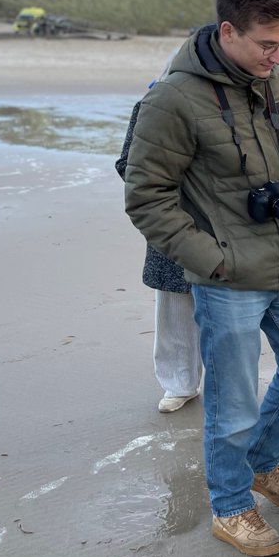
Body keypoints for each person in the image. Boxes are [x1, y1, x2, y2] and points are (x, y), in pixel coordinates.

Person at [124, 0, 279, 557]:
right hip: (226, 279)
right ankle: (229, 507)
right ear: (227, 32)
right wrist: (211, 262)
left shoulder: (278, 82)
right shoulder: (172, 99)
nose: (278, 56)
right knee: (233, 402)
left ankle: (261, 464)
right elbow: (146, 197)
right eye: (267, 44)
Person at [116, 97, 202, 413]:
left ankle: (228, 386)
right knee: (174, 303)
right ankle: (179, 384)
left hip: (232, 221)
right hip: (173, 218)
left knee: (231, 310)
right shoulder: (154, 102)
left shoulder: (237, 96)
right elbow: (128, 164)